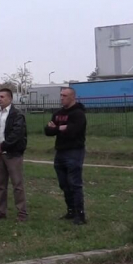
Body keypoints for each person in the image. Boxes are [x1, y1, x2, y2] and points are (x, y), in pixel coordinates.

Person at [45, 87, 87, 225]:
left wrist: (58, 128)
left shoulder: (78, 113)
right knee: (64, 184)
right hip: (60, 151)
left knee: (75, 183)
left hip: (74, 152)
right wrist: (60, 128)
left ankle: (80, 214)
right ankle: (70, 210)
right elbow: (48, 130)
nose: (62, 98)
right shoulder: (58, 113)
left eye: (65, 95)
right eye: (61, 95)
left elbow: (73, 131)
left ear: (72, 97)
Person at [0, 88, 28, 222]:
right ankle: (1, 211)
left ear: (10, 99)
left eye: (2, 97)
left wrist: (3, 146)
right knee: (1, 184)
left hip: (12, 154)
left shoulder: (17, 114)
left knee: (17, 184)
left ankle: (22, 213)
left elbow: (17, 134)